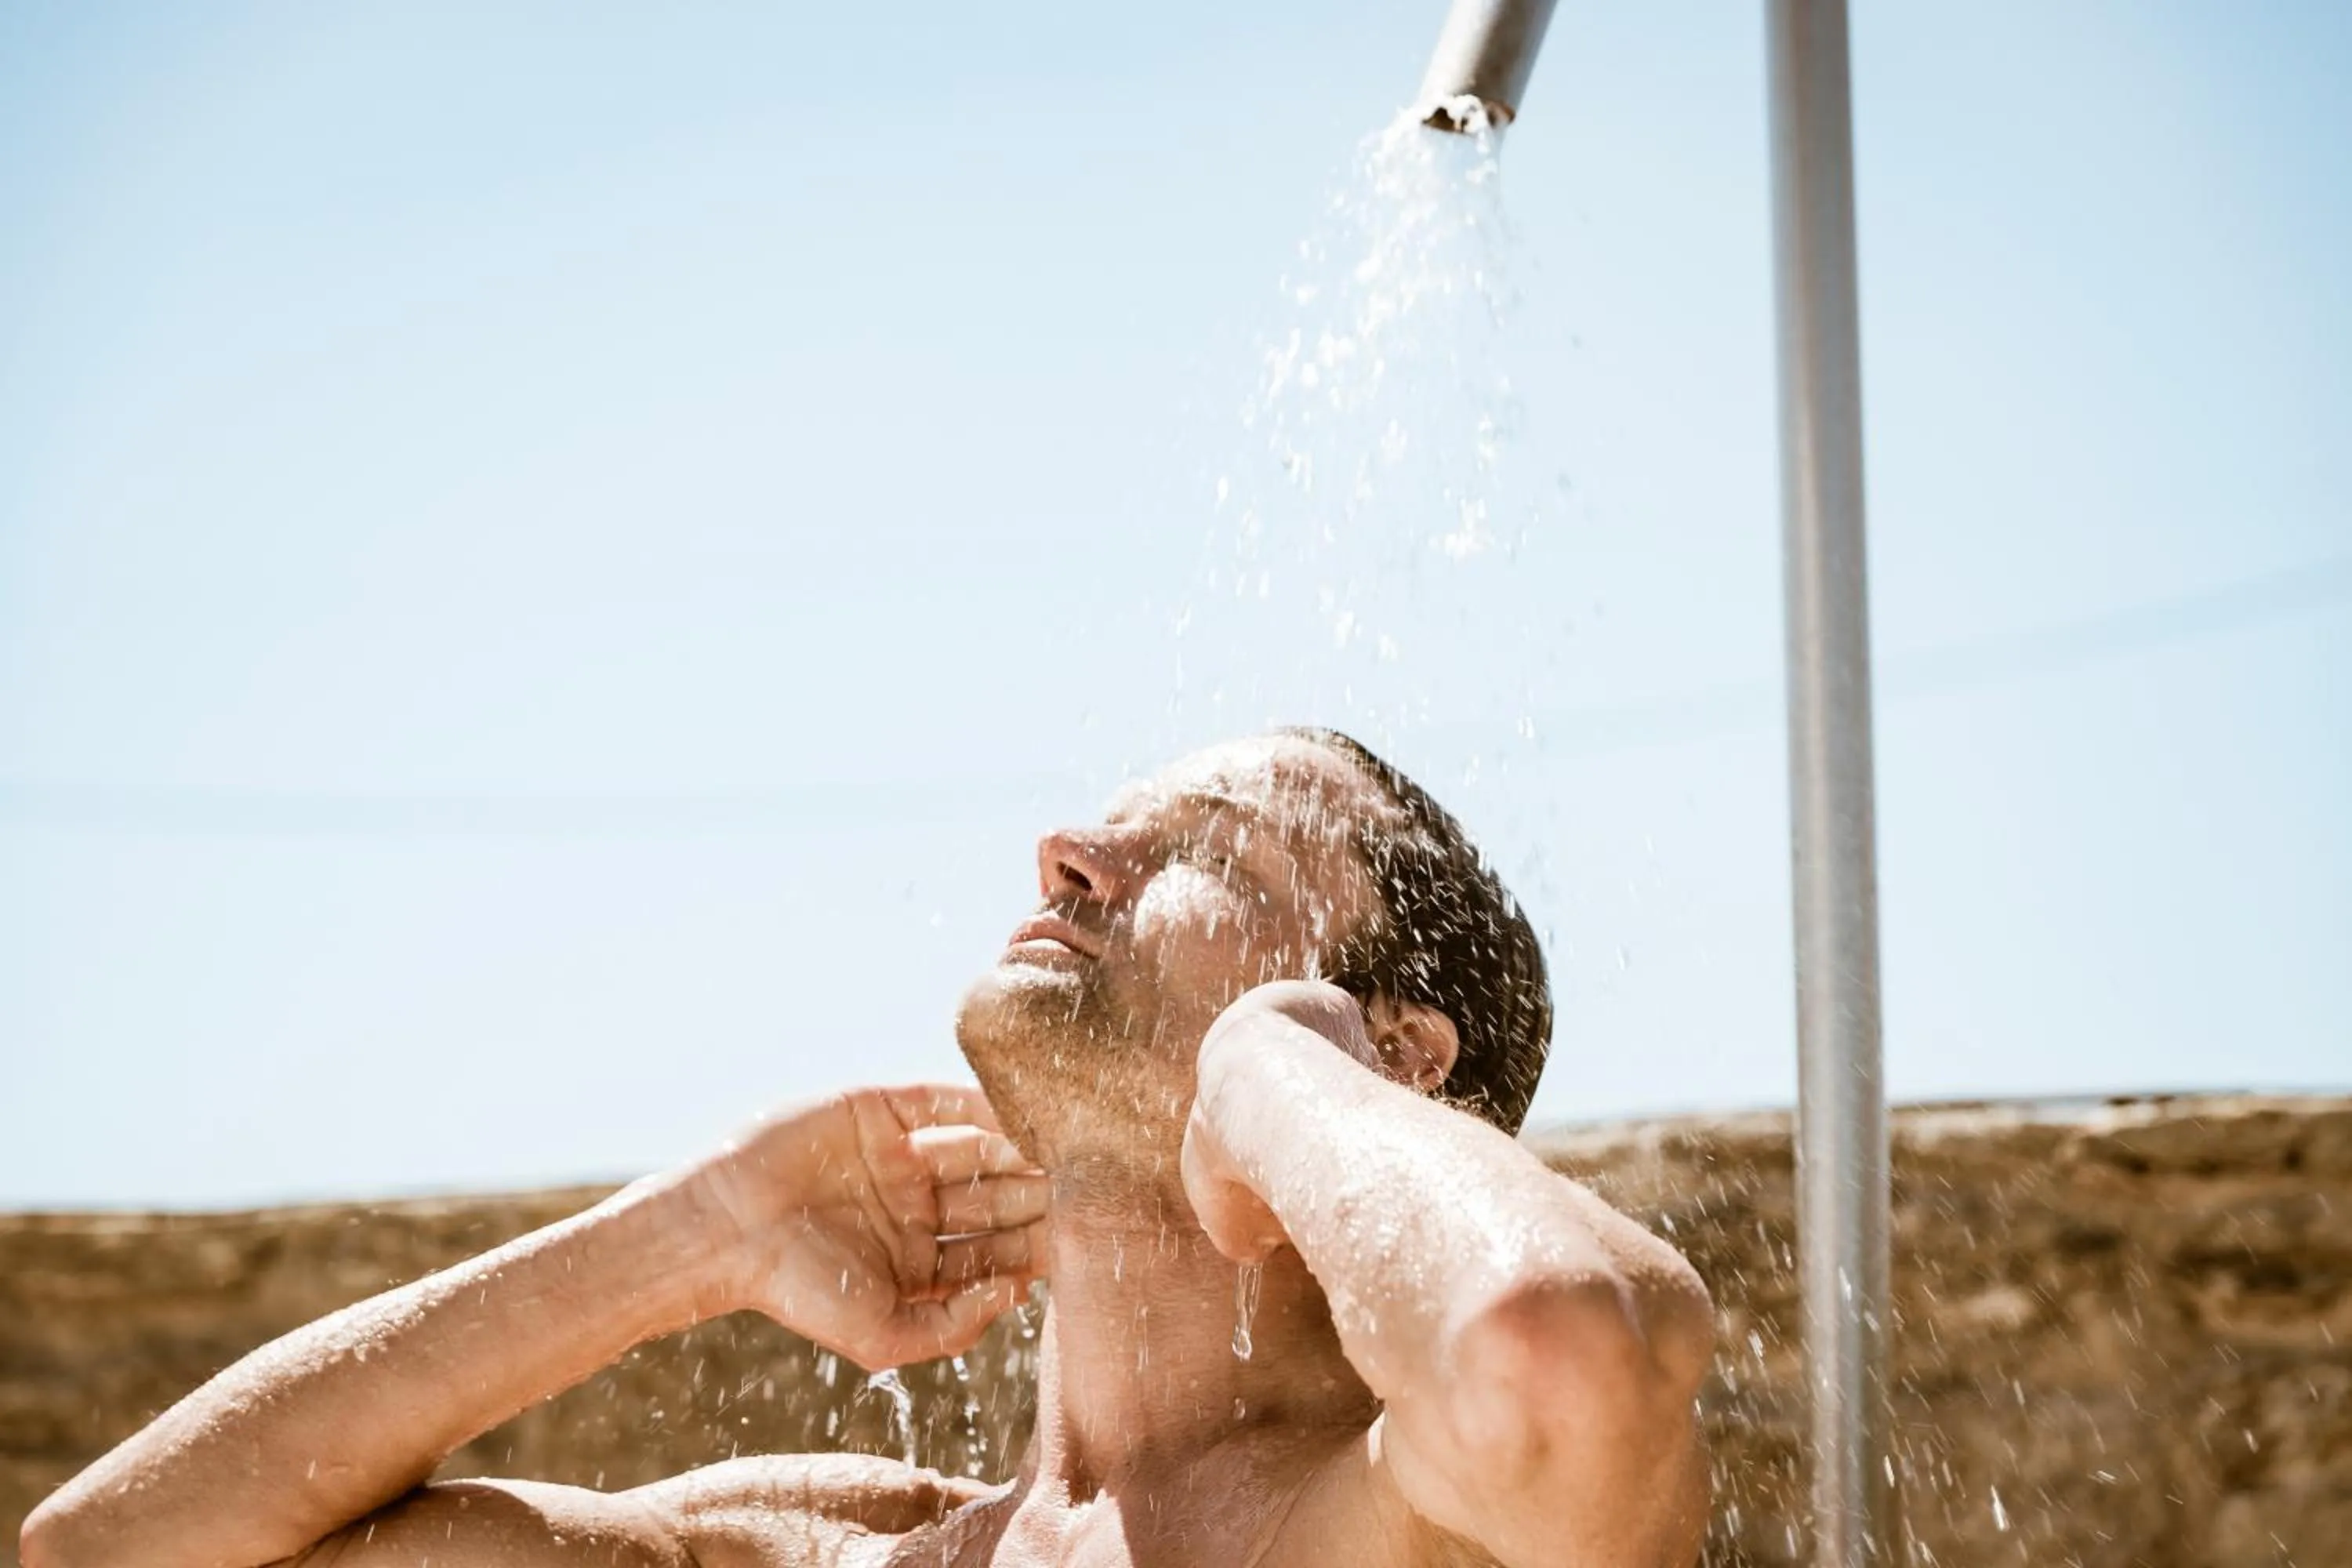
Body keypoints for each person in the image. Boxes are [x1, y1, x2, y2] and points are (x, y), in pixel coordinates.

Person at [21, 728, 1713, 1568]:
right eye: (1105, 820)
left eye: (1204, 846)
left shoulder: (1413, 1528)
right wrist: (693, 1237)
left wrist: (1269, 1065)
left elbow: (1554, 1354)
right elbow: (100, 1555)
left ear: (1402, 1052)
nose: (1066, 852)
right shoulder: (826, 1545)